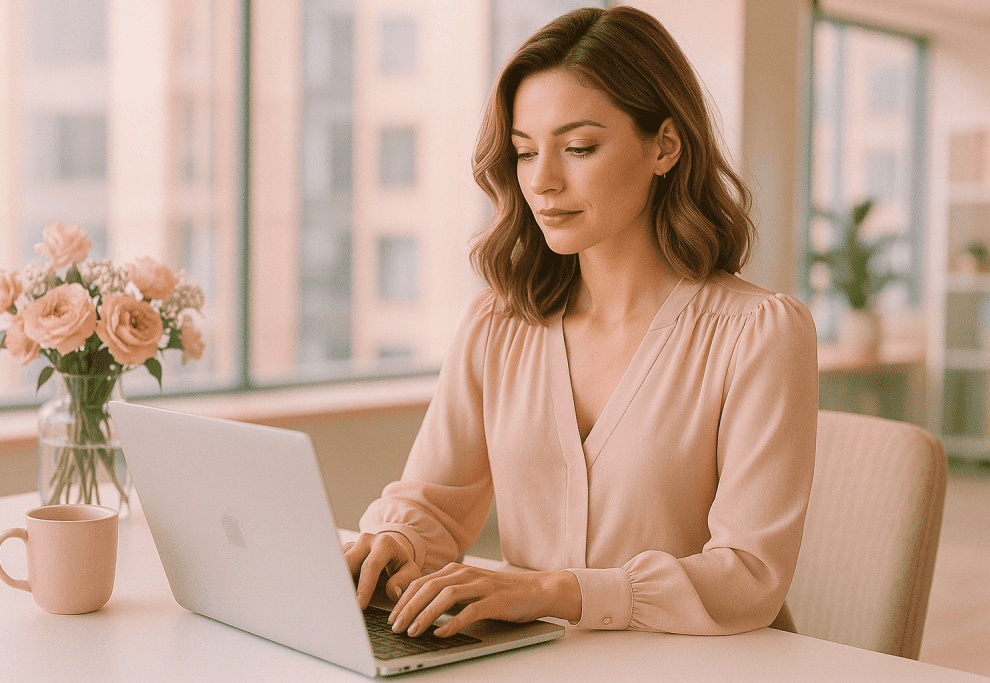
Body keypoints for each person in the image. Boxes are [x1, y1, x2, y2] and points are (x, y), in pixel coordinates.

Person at [343, 5, 818, 640]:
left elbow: (749, 575)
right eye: (524, 152)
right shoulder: (498, 324)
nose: (542, 181)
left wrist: (553, 592)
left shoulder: (758, 332)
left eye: (578, 148)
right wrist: (394, 541)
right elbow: (433, 501)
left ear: (664, 146)